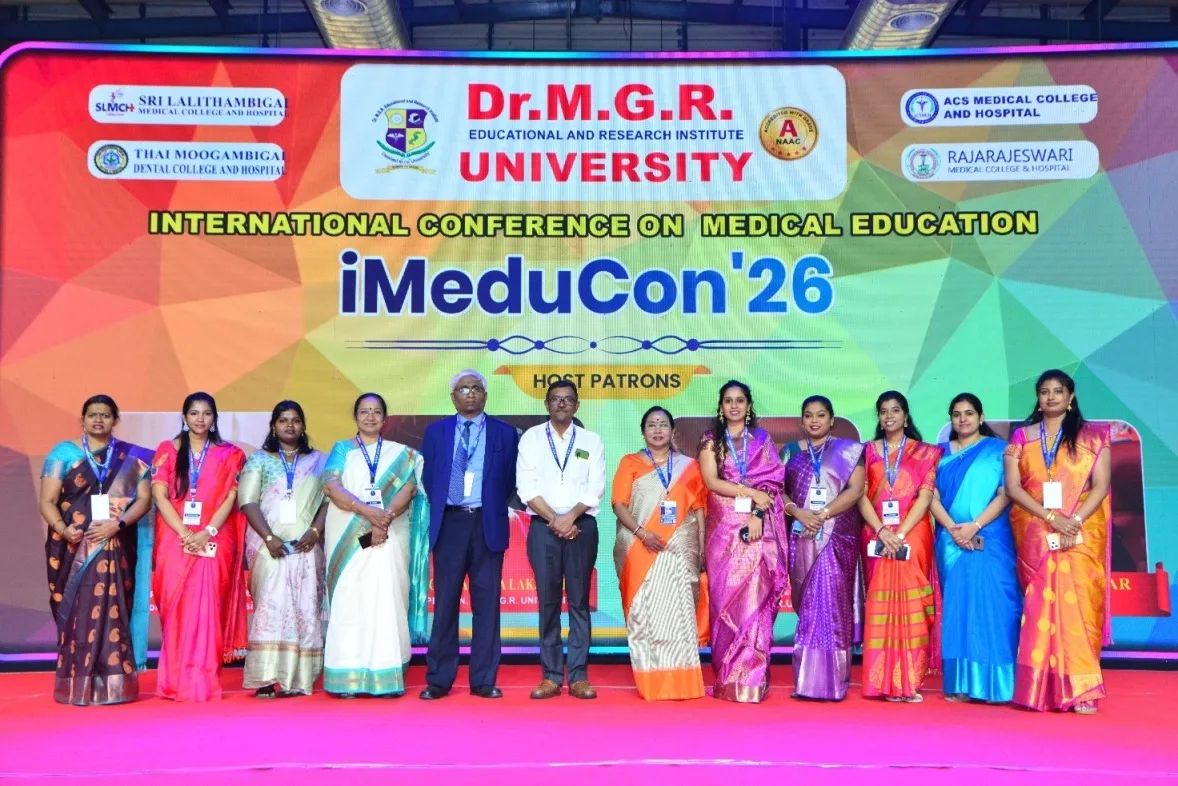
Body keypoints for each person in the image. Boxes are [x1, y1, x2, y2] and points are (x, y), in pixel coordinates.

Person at [1003, 370, 1112, 715]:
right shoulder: (1021, 437)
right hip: (1038, 531)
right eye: (1044, 391)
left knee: (1079, 607)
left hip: (1080, 533)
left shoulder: (1094, 437)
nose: (1051, 397)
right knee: (1039, 609)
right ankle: (1039, 688)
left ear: (1071, 397)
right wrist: (1052, 518)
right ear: (1038, 398)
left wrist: (1073, 521)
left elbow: (1101, 485)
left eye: (1058, 391)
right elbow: (1013, 487)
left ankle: (1082, 691)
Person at [39, 395, 154, 705]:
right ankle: (77, 684)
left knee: (115, 608)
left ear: (115, 420)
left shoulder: (133, 458)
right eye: (92, 415)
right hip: (74, 544)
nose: (98, 420)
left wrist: (118, 525)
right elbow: (47, 501)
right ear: (83, 419)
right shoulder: (63, 454)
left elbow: (144, 499)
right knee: (79, 610)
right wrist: (64, 529)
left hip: (116, 543)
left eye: (105, 415)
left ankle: (116, 685)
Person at [320, 393, 430, 698]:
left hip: (389, 533)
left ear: (385, 418)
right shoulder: (342, 449)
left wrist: (384, 520)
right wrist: (369, 513)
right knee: (350, 601)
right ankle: (346, 677)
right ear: (355, 416)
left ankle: (387, 675)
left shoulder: (404, 455)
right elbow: (331, 486)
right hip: (348, 536)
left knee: (387, 599)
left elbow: (409, 488)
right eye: (364, 411)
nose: (370, 417)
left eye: (376, 411)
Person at [420, 370, 519, 700]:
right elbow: (430, 478)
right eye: (463, 389)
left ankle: (483, 679)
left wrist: (486, 504)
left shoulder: (505, 433)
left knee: (486, 605)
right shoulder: (436, 432)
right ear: (453, 397)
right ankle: (439, 679)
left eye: (476, 388)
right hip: (449, 523)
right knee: (445, 603)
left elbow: (508, 481)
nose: (470, 394)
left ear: (485, 395)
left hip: (486, 523)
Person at [150, 392, 249, 702]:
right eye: (194, 413)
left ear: (214, 418)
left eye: (207, 413)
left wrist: (207, 531)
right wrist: (184, 532)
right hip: (175, 539)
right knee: (176, 607)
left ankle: (203, 681)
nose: (200, 419)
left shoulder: (230, 454)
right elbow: (159, 494)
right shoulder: (168, 450)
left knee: (208, 610)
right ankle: (174, 681)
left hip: (214, 540)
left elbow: (231, 497)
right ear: (184, 417)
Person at [698, 380, 787, 703]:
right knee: (724, 603)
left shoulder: (761, 440)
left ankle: (751, 678)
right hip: (724, 532)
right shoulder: (712, 440)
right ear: (720, 406)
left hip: (757, 530)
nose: (734, 406)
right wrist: (749, 493)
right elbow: (711, 481)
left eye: (740, 400)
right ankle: (727, 677)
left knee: (754, 601)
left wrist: (758, 514)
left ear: (748, 406)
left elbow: (774, 484)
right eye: (728, 400)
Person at [517, 380, 606, 700]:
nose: (562, 404)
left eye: (568, 399)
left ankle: (579, 676)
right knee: (548, 602)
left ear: (577, 405)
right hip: (544, 528)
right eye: (556, 399)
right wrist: (556, 520)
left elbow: (596, 486)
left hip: (582, 527)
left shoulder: (591, 440)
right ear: (546, 404)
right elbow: (526, 487)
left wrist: (570, 517)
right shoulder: (531, 438)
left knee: (579, 602)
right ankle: (551, 676)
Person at [930, 393, 1021, 704]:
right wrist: (954, 529)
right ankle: (960, 683)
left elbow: (1006, 493)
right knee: (959, 610)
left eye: (969, 413)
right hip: (951, 541)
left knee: (995, 608)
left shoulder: (999, 450)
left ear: (981, 417)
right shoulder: (938, 454)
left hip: (991, 538)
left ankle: (997, 686)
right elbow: (930, 496)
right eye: (957, 414)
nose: (963, 419)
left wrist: (975, 525)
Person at [612, 406, 708, 701]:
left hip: (680, 551)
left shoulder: (689, 466)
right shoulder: (630, 462)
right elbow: (619, 505)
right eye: (651, 425)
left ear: (672, 431)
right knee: (647, 615)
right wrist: (643, 533)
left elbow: (699, 509)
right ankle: (652, 683)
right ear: (643, 432)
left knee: (678, 616)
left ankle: (684, 683)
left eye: (663, 424)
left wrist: (701, 548)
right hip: (641, 548)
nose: (657, 430)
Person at [239, 400, 329, 698]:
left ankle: (298, 679)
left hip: (306, 547)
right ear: (273, 426)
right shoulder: (258, 460)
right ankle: (265, 678)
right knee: (270, 609)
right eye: (283, 420)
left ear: (303, 426)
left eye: (296, 420)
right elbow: (248, 501)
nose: (290, 425)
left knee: (304, 610)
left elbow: (328, 501)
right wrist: (268, 538)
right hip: (269, 548)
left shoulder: (319, 461)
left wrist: (315, 532)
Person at [857, 391, 942, 703]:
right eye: (883, 411)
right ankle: (883, 681)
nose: (889, 416)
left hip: (913, 535)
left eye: (895, 410)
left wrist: (901, 533)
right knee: (880, 604)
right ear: (879, 418)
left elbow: (925, 496)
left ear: (906, 416)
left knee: (912, 606)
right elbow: (860, 495)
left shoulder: (925, 453)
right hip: (877, 533)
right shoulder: (867, 452)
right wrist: (882, 531)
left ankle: (909, 682)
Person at [780, 395, 865, 702]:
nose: (814, 420)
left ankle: (833, 684)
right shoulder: (791, 452)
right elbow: (779, 491)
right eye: (808, 415)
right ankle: (806, 682)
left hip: (836, 535)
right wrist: (799, 513)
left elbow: (856, 490)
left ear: (831, 419)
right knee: (809, 608)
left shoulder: (850, 451)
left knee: (832, 606)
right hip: (803, 534)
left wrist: (823, 515)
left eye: (820, 415)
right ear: (801, 421)